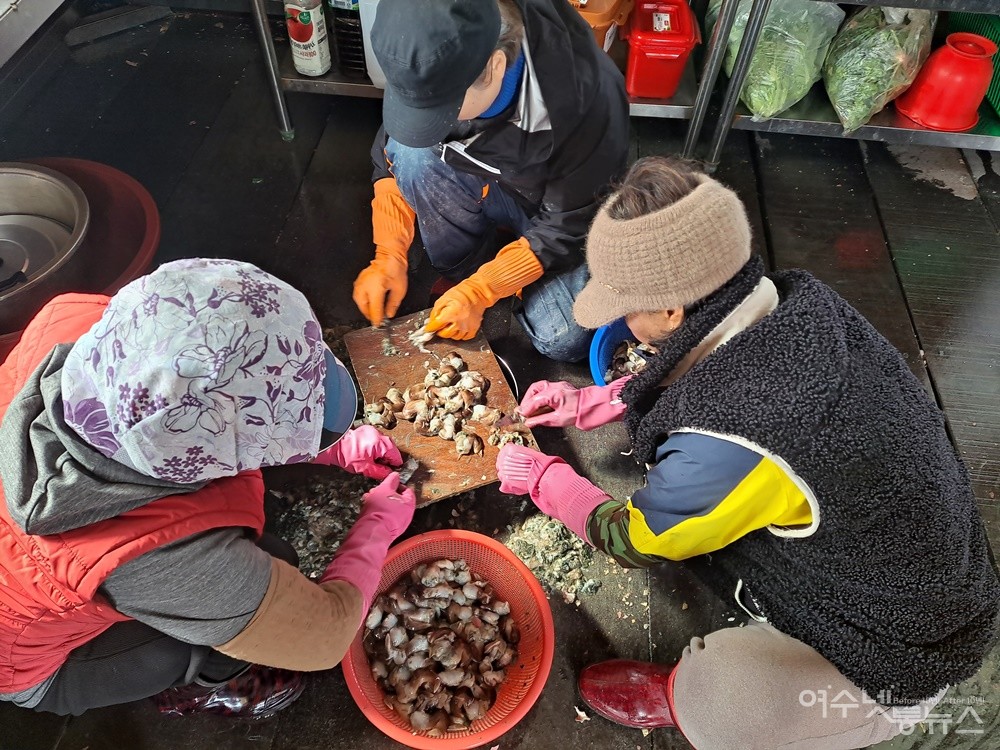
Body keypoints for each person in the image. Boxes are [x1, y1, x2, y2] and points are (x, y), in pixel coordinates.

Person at [495, 157, 1000, 749]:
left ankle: (693, 700)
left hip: (902, 650)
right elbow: (708, 368)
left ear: (670, 311)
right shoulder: (795, 303)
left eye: (626, 308)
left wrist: (547, 480)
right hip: (919, 549)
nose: (622, 325)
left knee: (722, 698)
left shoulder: (734, 442)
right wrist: (596, 402)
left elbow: (636, 539)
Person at [0, 259, 415, 718]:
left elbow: (183, 413)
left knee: (261, 560)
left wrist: (319, 447)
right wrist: (375, 528)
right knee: (225, 621)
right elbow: (326, 637)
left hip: (53, 565)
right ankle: (204, 687)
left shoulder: (89, 322)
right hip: (24, 662)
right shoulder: (149, 556)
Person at [351, 0, 629, 362]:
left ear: (496, 66)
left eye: (443, 109)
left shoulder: (586, 98)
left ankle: (499, 281)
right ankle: (465, 270)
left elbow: (567, 224)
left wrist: (482, 292)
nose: (435, 121)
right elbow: (390, 154)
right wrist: (389, 255)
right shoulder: (425, 44)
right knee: (412, 153)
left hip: (558, 210)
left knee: (563, 335)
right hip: (489, 174)